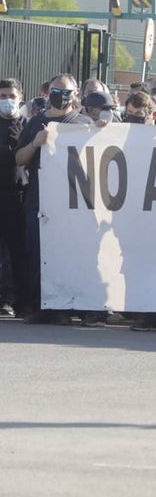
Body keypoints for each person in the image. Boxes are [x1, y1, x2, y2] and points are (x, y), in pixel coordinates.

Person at [15, 74, 94, 325]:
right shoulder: (35, 122)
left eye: (67, 91)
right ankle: (40, 306)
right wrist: (36, 144)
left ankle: (65, 307)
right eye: (56, 91)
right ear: (48, 93)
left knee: (66, 251)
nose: (62, 96)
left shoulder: (83, 122)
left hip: (71, 200)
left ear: (75, 94)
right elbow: (19, 159)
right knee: (37, 251)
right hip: (39, 198)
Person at [0, 78, 28, 316]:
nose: (7, 101)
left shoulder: (29, 125)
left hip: (18, 196)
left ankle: (18, 299)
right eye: (2, 96)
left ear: (21, 97)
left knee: (18, 250)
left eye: (11, 96)